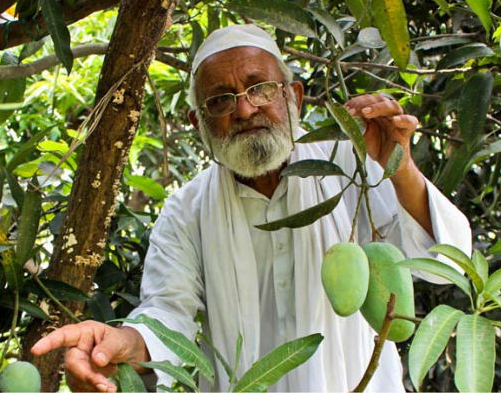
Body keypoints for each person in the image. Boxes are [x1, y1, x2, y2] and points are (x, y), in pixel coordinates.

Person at [32, 24, 472, 392]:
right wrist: (123, 341)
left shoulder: (350, 165)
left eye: (261, 89)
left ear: (294, 98)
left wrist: (400, 165)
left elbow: (440, 265)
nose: (244, 109)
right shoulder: (186, 210)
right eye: (221, 100)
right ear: (199, 124)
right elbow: (169, 314)